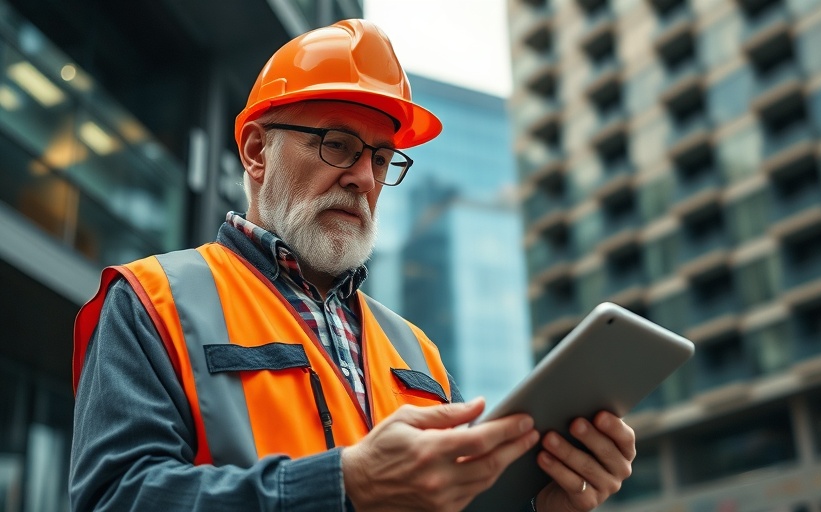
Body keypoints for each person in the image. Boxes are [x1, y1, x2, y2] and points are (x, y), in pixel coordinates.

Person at [70, 19, 635, 512]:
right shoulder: (151, 301)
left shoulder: (419, 354)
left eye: (382, 158)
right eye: (338, 144)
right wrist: (342, 485)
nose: (364, 178)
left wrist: (542, 506)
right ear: (256, 152)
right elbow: (116, 499)